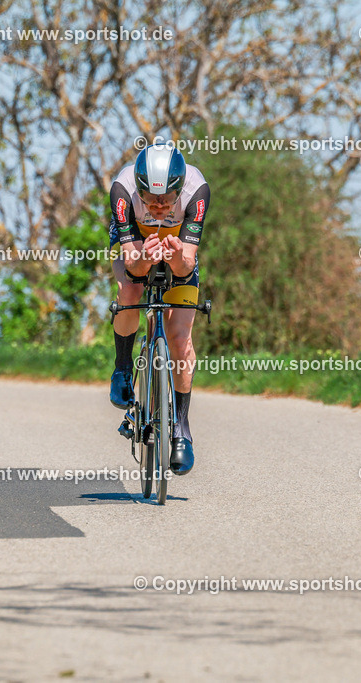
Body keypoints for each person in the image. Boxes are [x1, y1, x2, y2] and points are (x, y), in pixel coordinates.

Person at [107, 140, 210, 475]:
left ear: (180, 187)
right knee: (131, 290)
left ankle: (181, 428)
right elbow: (134, 266)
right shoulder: (122, 192)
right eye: (151, 197)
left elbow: (186, 266)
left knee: (180, 340)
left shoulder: (197, 191)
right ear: (138, 188)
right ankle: (123, 368)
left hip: (178, 241)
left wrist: (177, 257)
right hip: (137, 238)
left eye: (168, 196)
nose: (160, 204)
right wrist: (142, 260)